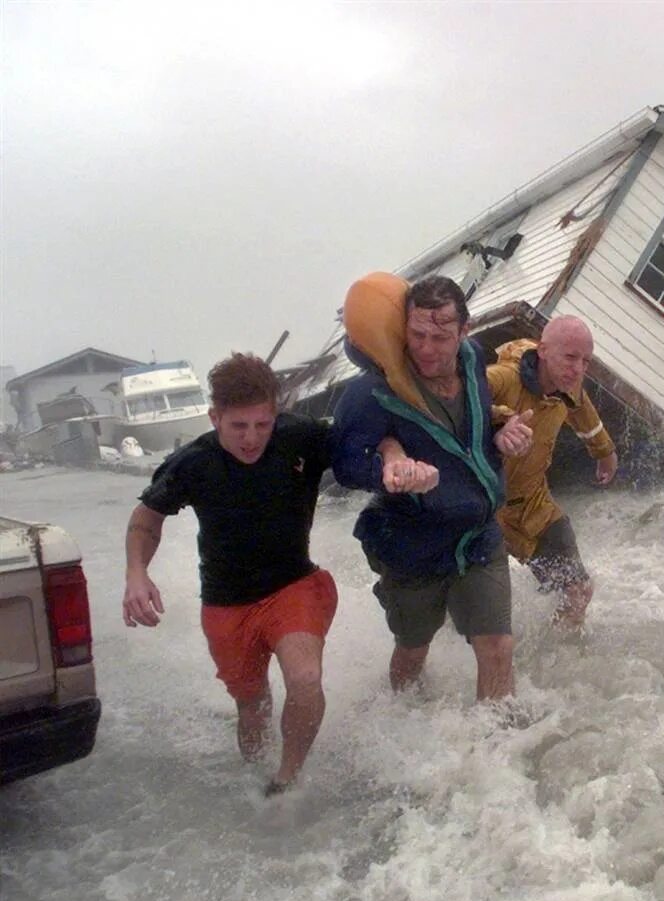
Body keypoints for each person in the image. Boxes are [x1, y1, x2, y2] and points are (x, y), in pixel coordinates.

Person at [122, 353, 337, 796]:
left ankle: (286, 780)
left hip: (293, 585)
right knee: (251, 703)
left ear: (275, 413)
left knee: (305, 678)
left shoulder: (301, 437)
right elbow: (146, 518)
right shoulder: (193, 462)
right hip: (226, 602)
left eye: (262, 424)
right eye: (239, 426)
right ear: (214, 416)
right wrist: (137, 573)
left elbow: (365, 441)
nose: (252, 438)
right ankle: (254, 780)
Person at [331, 272, 533, 700]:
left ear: (465, 330)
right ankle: (408, 721)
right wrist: (387, 471)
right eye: (417, 334)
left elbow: (468, 430)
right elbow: (345, 465)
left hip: (478, 534)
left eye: (440, 338)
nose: (425, 348)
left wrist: (502, 430)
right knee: (412, 650)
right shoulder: (372, 391)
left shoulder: (474, 359)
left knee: (497, 646)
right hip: (412, 543)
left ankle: (497, 753)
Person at [486, 317, 617, 627]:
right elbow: (458, 398)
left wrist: (605, 452)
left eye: (585, 361)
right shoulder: (503, 377)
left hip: (534, 505)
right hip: (484, 510)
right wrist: (500, 420)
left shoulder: (567, 386)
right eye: (571, 357)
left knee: (578, 591)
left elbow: (582, 410)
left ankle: (553, 660)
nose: (578, 368)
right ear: (543, 350)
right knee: (479, 613)